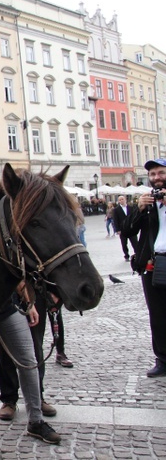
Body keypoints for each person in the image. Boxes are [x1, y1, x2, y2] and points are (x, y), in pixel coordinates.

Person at [0, 284, 61, 445]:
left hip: (5, 306)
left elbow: (15, 271)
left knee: (29, 360)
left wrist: (29, 303)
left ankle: (36, 422)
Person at [123, 158, 166, 378]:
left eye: (160, 173)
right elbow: (127, 230)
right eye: (152, 175)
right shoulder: (146, 203)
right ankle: (162, 359)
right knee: (157, 315)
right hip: (153, 264)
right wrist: (139, 209)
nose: (156, 178)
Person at [113, 195, 137, 261]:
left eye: (122, 199)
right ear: (118, 201)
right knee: (124, 243)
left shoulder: (131, 207)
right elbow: (115, 220)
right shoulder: (116, 210)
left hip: (131, 229)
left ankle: (137, 253)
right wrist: (117, 230)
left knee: (135, 242)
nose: (121, 201)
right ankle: (126, 255)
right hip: (122, 229)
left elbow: (135, 217)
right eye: (120, 200)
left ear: (125, 199)